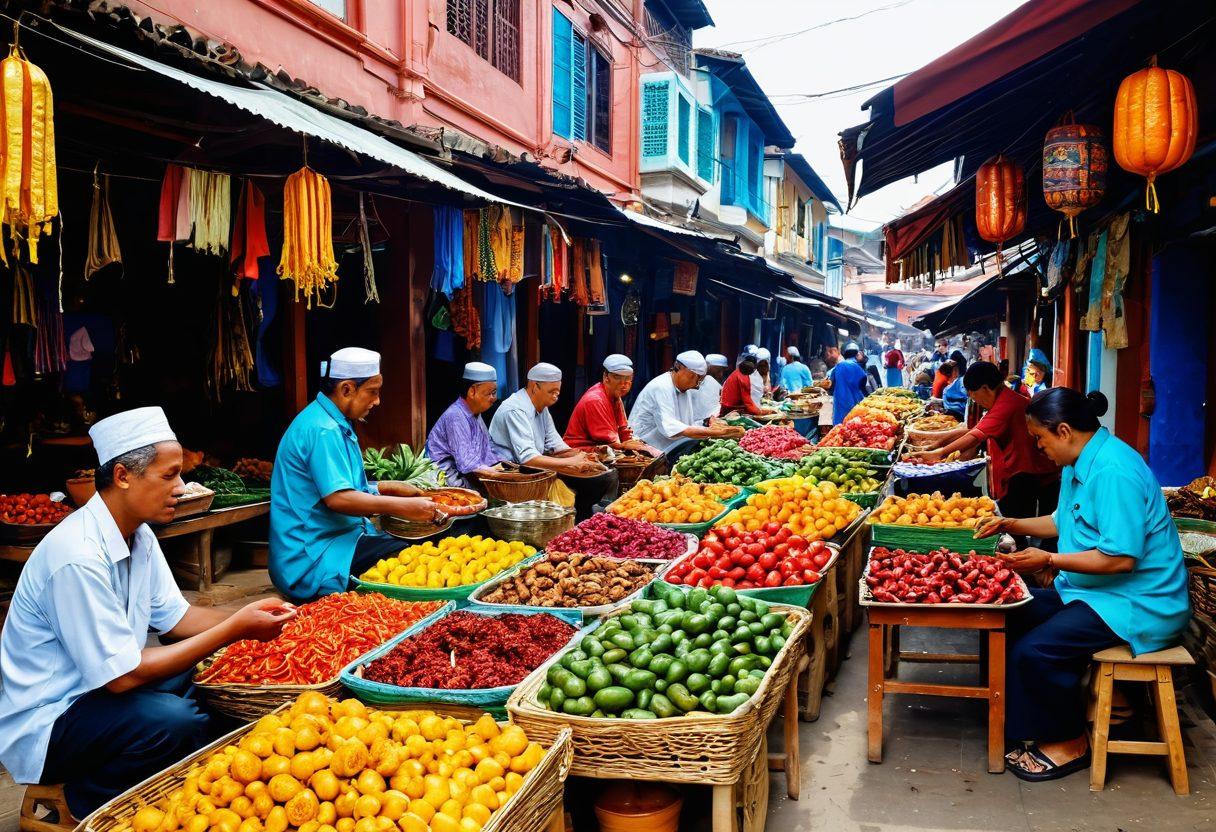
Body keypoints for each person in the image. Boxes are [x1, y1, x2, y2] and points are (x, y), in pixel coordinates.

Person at [0, 407, 297, 817]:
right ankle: (83, 801)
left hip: (101, 691)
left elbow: (178, 620)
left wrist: (256, 613)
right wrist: (235, 628)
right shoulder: (77, 556)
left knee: (217, 680)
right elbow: (123, 677)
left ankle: (176, 785)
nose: (181, 487)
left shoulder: (139, 535)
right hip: (52, 718)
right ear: (123, 476)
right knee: (175, 721)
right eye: (169, 475)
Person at [975, 389, 1190, 782]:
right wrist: (1009, 523)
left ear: (1064, 431)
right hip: (1092, 593)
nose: (1038, 447)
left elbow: (1120, 558)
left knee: (1036, 650)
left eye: (1039, 438)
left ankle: (1069, 741)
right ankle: (1021, 724)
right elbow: (1061, 522)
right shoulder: (1077, 463)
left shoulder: (1114, 470)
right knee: (1006, 615)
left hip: (1139, 602)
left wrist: (1049, 560)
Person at [270, 348, 443, 603]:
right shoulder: (323, 429)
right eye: (372, 391)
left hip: (337, 537)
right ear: (346, 389)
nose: (377, 401)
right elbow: (338, 499)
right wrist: (405, 507)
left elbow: (340, 487)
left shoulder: (330, 420)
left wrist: (388, 487)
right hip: (311, 556)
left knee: (414, 556)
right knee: (407, 562)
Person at [914, 362, 1059, 521]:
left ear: (985, 388)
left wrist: (940, 453)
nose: (975, 401)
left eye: (973, 395)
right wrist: (936, 444)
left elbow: (975, 436)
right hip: (1029, 470)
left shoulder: (1006, 404)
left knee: (1022, 524)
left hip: (1030, 474)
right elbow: (973, 430)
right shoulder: (1005, 398)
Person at [490, 362, 615, 520]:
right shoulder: (515, 410)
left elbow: (556, 445)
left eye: (558, 391)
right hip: (512, 478)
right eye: (552, 391)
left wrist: (586, 456)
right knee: (590, 483)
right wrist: (572, 462)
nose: (556, 396)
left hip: (533, 470)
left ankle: (581, 520)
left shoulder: (542, 408)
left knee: (603, 475)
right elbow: (527, 459)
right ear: (534, 386)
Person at [629, 351, 736, 452]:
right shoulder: (661, 386)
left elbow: (686, 424)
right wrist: (716, 432)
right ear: (679, 368)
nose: (697, 386)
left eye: (700, 381)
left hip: (667, 446)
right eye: (696, 378)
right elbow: (670, 428)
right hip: (643, 444)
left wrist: (708, 423)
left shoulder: (685, 390)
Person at [425, 361, 505, 488]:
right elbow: (467, 463)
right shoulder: (455, 416)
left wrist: (505, 466)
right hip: (443, 479)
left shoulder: (476, 414)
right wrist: (495, 473)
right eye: (490, 393)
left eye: (494, 393)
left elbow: (487, 451)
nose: (493, 398)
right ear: (472, 391)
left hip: (463, 477)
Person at [563, 354, 650, 452]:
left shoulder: (615, 396)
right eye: (617, 377)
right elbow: (607, 440)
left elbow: (623, 430)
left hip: (604, 449)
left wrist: (631, 442)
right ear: (605, 376)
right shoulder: (595, 400)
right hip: (579, 451)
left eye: (628, 378)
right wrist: (627, 445)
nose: (623, 384)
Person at [825, 343, 868, 425]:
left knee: (840, 426)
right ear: (856, 354)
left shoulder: (838, 366)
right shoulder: (858, 367)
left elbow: (830, 385)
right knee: (855, 426)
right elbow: (863, 384)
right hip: (855, 401)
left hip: (840, 401)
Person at [695, 353, 730, 423]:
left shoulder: (719, 382)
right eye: (718, 371)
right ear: (709, 367)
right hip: (700, 420)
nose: (721, 374)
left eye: (723, 371)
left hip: (713, 420)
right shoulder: (702, 379)